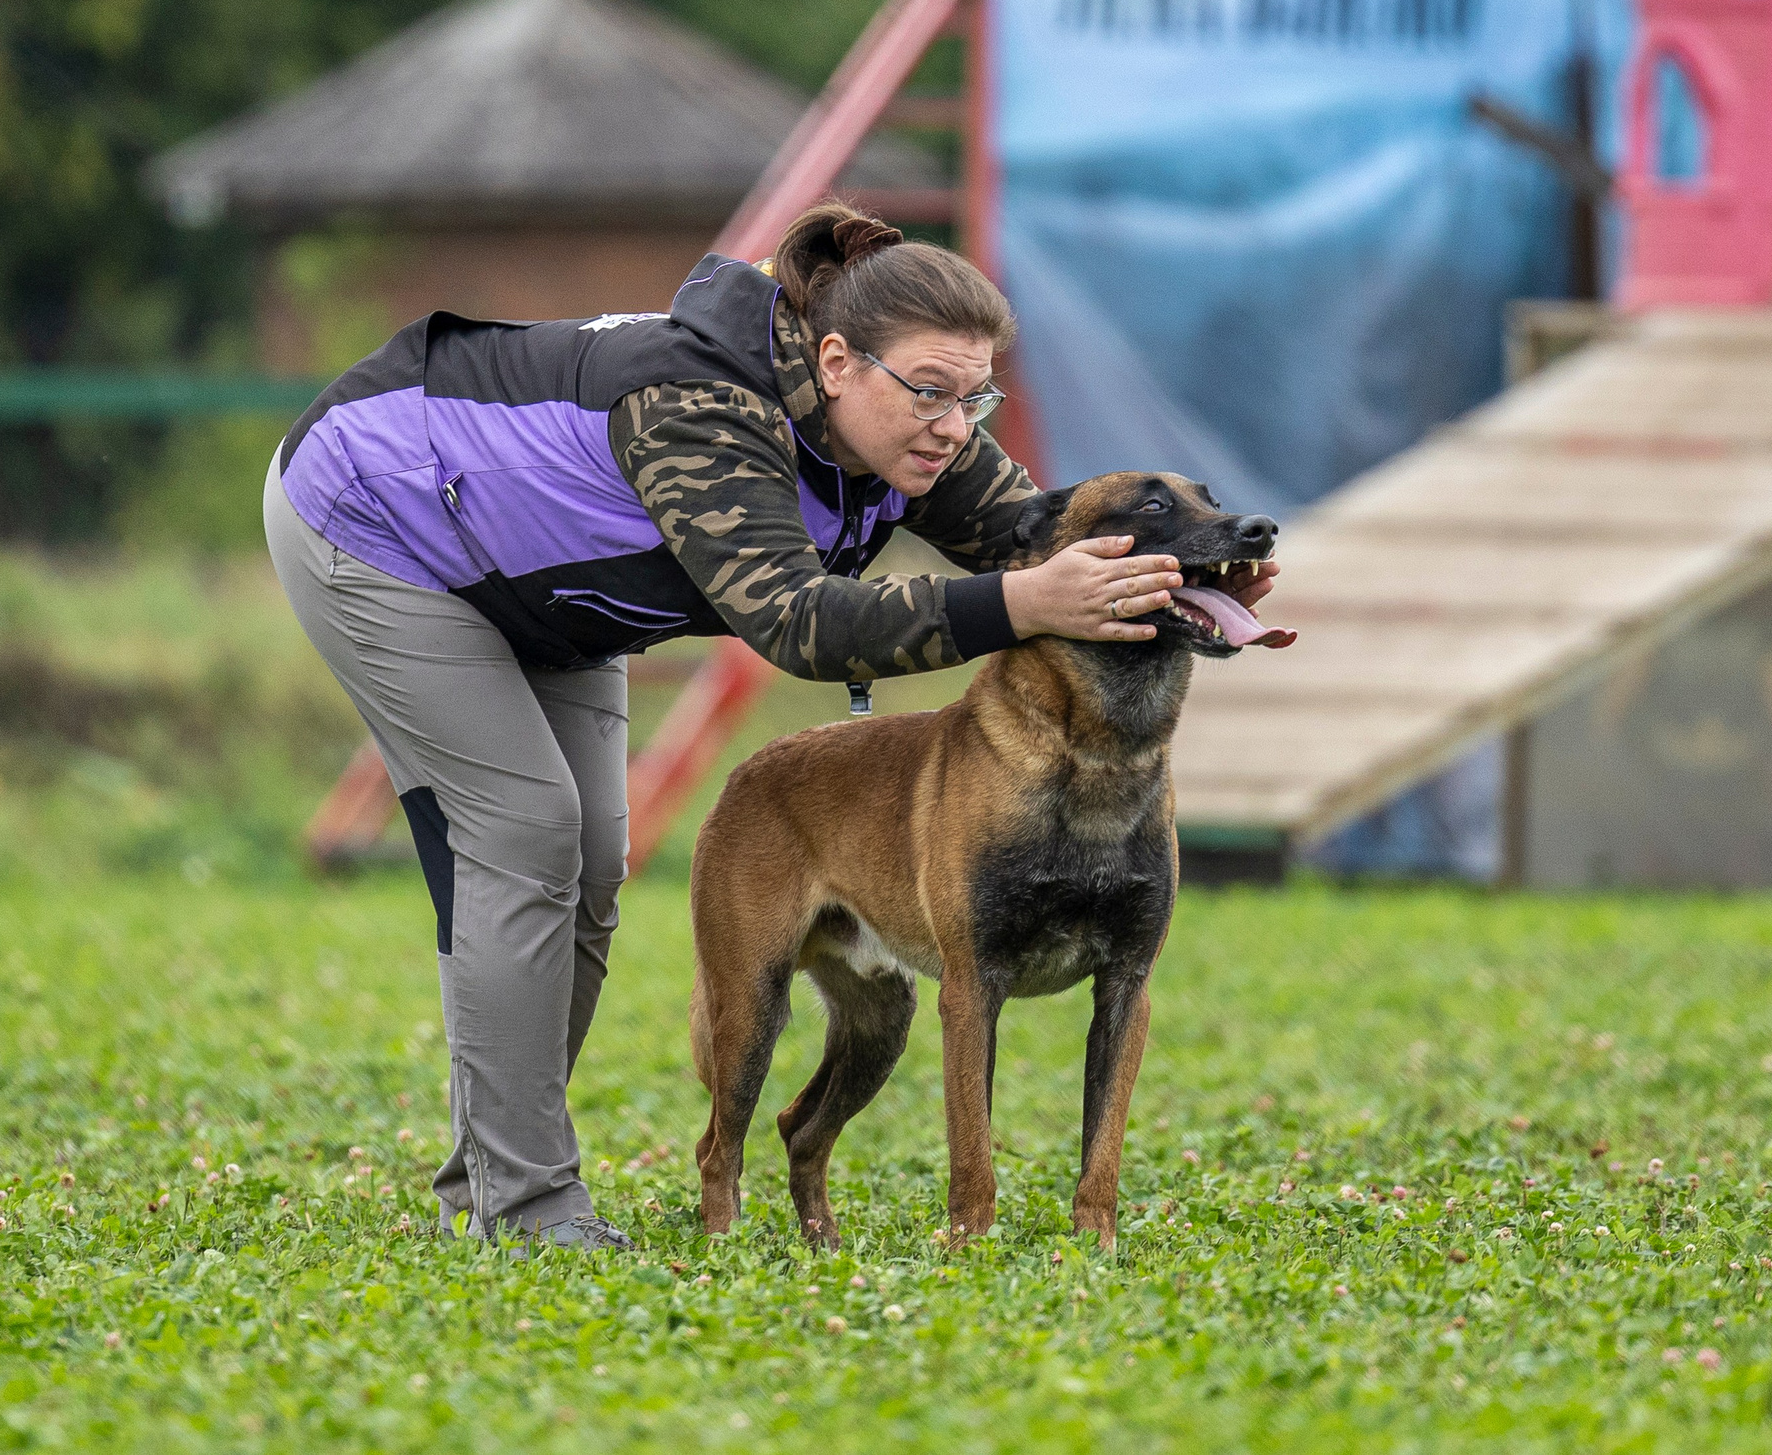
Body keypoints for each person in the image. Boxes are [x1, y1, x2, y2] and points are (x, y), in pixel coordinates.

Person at [262, 201, 1277, 1251]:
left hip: (549, 587)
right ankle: (518, 1205)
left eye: (975, 397)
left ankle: (489, 1177)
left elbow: (1039, 544)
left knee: (592, 861)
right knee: (527, 834)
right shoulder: (698, 408)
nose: (952, 426)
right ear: (836, 362)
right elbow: (797, 619)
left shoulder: (921, 435)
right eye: (930, 391)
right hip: (380, 513)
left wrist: (1189, 584)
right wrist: (1023, 604)